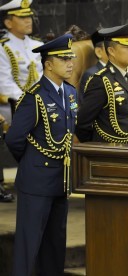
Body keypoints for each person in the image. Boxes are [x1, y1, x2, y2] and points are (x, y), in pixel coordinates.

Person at [5, 33, 77, 276]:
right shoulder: (34, 96)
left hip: (61, 181)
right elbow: (14, 138)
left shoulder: (70, 93)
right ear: (48, 64)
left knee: (55, 246)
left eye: (71, 58)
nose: (70, 63)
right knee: (29, 247)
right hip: (36, 181)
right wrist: (31, 163)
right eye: (64, 58)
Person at [0, 0, 43, 124]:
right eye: (22, 17)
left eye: (29, 16)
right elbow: (5, 85)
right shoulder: (3, 48)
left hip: (40, 103)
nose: (28, 20)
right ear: (8, 23)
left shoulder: (38, 45)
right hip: (14, 106)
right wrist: (31, 101)